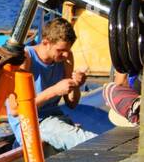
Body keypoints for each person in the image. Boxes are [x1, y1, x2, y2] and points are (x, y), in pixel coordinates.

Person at [6, 16, 95, 151]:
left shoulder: (66, 58)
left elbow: (72, 103)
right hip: (31, 123)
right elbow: (15, 109)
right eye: (60, 50)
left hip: (55, 118)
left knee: (81, 136)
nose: (65, 55)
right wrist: (55, 91)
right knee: (86, 140)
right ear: (46, 42)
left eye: (68, 50)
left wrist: (76, 85)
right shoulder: (26, 59)